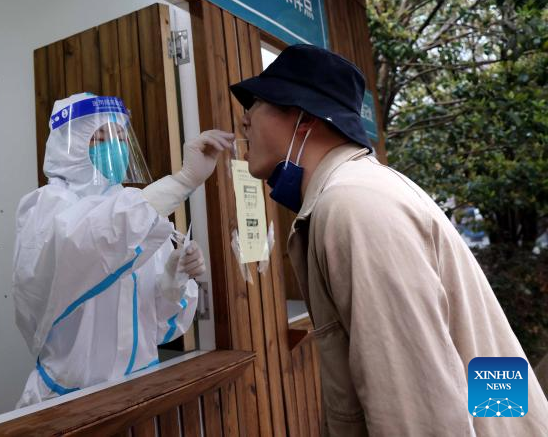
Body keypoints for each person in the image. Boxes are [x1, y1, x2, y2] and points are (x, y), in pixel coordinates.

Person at [230, 43, 548, 436]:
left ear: (304, 117)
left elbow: (418, 412)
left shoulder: (354, 205)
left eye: (257, 103)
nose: (244, 120)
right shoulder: (363, 189)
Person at [12, 92, 234, 407]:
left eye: (121, 137)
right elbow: (88, 241)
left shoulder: (137, 213)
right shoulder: (47, 209)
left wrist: (172, 281)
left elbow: (161, 328)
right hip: (68, 404)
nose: (116, 147)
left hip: (140, 395)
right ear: (70, 147)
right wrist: (182, 181)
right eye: (102, 137)